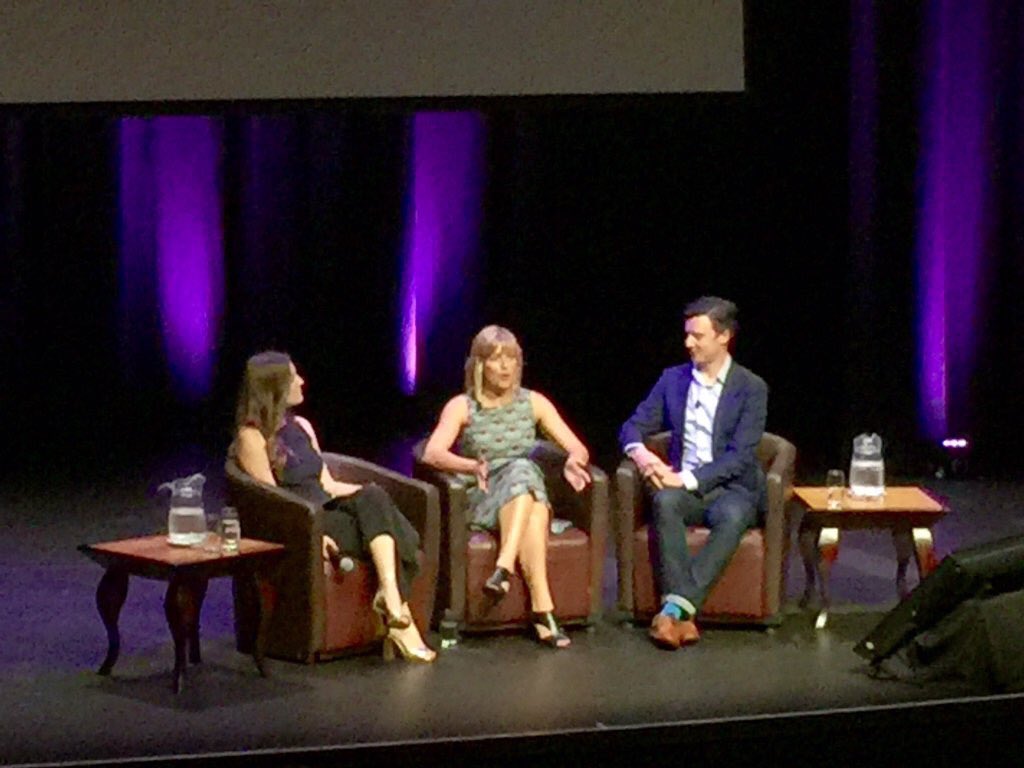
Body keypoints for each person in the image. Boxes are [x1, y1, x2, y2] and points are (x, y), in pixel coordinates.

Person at [232, 350, 436, 663]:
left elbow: (327, 484)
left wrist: (375, 497)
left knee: (374, 497)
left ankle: (390, 596)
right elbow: (272, 500)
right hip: (304, 522)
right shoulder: (252, 437)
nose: (302, 381)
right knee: (400, 535)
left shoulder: (302, 426)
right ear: (274, 386)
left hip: (328, 508)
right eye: (293, 377)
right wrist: (313, 534)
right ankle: (398, 616)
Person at [422, 325, 593, 649]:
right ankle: (538, 608)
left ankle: (521, 586)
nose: (505, 367)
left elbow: (577, 447)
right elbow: (432, 453)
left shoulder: (534, 402)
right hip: (482, 494)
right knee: (528, 484)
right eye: (496, 359)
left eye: (511, 358)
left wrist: (574, 460)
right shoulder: (462, 406)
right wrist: (470, 466)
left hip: (522, 493)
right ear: (479, 365)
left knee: (529, 490)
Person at [619, 297, 767, 650]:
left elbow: (740, 457)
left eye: (697, 336)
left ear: (724, 337)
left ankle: (673, 610)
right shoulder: (673, 379)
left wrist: (685, 479)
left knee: (733, 516)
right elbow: (633, 426)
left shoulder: (751, 387)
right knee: (665, 502)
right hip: (686, 489)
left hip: (732, 489)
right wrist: (643, 456)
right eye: (687, 335)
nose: (688, 343)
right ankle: (681, 618)